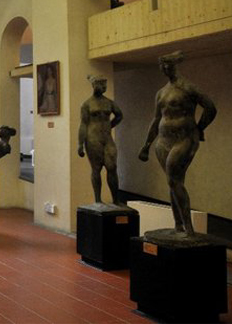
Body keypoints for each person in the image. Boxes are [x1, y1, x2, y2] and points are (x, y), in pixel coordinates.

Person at [138, 51, 216, 236]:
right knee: (173, 182)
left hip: (184, 139)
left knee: (173, 179)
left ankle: (188, 228)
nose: (164, 69)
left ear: (174, 66)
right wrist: (147, 145)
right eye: (162, 66)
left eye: (167, 65)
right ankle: (178, 226)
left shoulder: (188, 88)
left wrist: (199, 127)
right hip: (163, 141)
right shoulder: (161, 93)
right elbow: (156, 119)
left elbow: (211, 107)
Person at [78, 75, 123, 205]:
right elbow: (83, 124)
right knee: (96, 168)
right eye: (100, 84)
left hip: (107, 139)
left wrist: (110, 126)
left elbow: (119, 115)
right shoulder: (87, 104)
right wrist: (80, 144)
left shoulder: (109, 103)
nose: (103, 87)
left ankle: (116, 199)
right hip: (93, 139)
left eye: (104, 84)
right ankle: (98, 200)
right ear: (94, 85)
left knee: (112, 167)